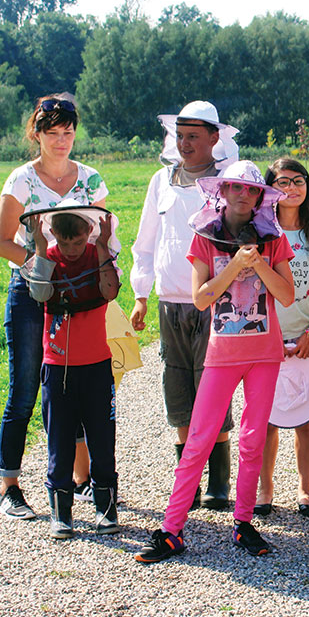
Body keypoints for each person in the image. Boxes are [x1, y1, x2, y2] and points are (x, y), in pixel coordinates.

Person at [135, 162, 295, 563]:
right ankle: (172, 530)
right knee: (199, 439)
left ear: (260, 197)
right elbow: (202, 297)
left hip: (265, 352)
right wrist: (235, 268)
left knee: (253, 439)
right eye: (235, 188)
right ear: (222, 191)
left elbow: (287, 296)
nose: (243, 195)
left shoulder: (273, 239)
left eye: (251, 190)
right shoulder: (204, 238)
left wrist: (257, 263)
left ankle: (243, 523)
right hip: (222, 353)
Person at [0, 94, 104, 520]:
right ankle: (10, 486)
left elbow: (103, 238)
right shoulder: (22, 180)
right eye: (52, 133)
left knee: (73, 385)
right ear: (36, 134)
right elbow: (1, 242)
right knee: (23, 390)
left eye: (68, 132)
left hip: (78, 295)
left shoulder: (90, 179)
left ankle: (82, 479)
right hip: (31, 294)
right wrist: (42, 267)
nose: (61, 141)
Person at [130, 100, 239, 511]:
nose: (185, 143)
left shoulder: (228, 182)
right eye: (180, 135)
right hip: (169, 303)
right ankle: (187, 482)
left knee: (214, 388)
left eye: (194, 136)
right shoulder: (160, 180)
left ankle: (218, 481)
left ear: (215, 138)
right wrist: (140, 294)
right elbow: (146, 240)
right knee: (178, 390)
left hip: (214, 300)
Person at [23, 205, 121, 538]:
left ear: (87, 234)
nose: (72, 250)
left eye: (78, 243)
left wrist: (104, 246)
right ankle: (61, 513)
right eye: (66, 245)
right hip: (57, 366)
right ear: (55, 237)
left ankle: (106, 509)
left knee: (102, 439)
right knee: (59, 441)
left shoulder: (97, 254)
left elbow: (110, 291)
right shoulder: (48, 255)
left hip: (96, 364)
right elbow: (39, 293)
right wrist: (39, 249)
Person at [255, 158, 309, 518]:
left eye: (298, 181)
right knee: (266, 418)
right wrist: (270, 337)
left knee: (305, 417)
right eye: (282, 182)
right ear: (269, 188)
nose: (290, 189)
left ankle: (305, 490)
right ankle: (265, 488)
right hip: (267, 338)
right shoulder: (261, 233)